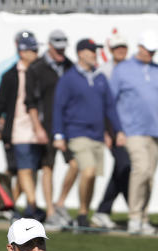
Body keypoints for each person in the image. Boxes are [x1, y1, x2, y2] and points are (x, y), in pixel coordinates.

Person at [52, 38, 124, 230]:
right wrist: (58, 134)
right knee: (88, 170)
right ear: (81, 53)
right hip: (77, 133)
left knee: (91, 176)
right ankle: (77, 211)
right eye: (91, 51)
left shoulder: (100, 78)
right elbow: (58, 107)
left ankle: (84, 212)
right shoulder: (69, 78)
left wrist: (118, 131)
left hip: (97, 136)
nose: (94, 54)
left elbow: (110, 108)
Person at [111, 30, 158, 235]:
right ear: (139, 47)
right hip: (132, 130)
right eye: (148, 50)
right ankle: (134, 216)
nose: (151, 54)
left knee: (149, 176)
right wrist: (116, 130)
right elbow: (111, 101)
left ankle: (144, 217)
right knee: (141, 170)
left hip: (154, 130)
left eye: (153, 50)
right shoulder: (122, 69)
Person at [26, 29, 77, 227]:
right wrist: (37, 127)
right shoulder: (37, 68)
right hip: (46, 124)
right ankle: (49, 211)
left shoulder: (70, 66)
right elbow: (30, 102)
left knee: (75, 164)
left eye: (63, 48)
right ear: (49, 46)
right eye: (57, 48)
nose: (60, 51)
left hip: (67, 125)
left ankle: (60, 202)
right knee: (47, 167)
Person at [0, 31, 39, 220]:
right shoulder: (9, 74)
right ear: (22, 51)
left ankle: (9, 206)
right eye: (31, 50)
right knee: (19, 169)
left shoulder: (38, 72)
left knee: (24, 170)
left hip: (34, 131)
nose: (35, 53)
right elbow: (0, 102)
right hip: (15, 130)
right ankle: (31, 206)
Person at [94, 32, 130, 225]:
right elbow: (103, 106)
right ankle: (132, 209)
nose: (121, 51)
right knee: (124, 165)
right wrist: (107, 132)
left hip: (130, 129)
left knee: (122, 168)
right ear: (111, 50)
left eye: (123, 47)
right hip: (113, 129)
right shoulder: (105, 71)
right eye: (117, 48)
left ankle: (103, 209)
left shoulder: (132, 69)